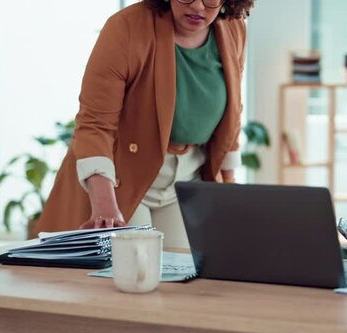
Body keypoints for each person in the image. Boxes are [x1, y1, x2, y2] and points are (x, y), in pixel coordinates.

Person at [36, 0, 255, 248]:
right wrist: (104, 206)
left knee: (185, 272)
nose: (197, 6)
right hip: (121, 177)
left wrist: (230, 185)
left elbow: (233, 109)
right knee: (134, 267)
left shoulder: (233, 29)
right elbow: (95, 124)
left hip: (187, 176)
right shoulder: (125, 28)